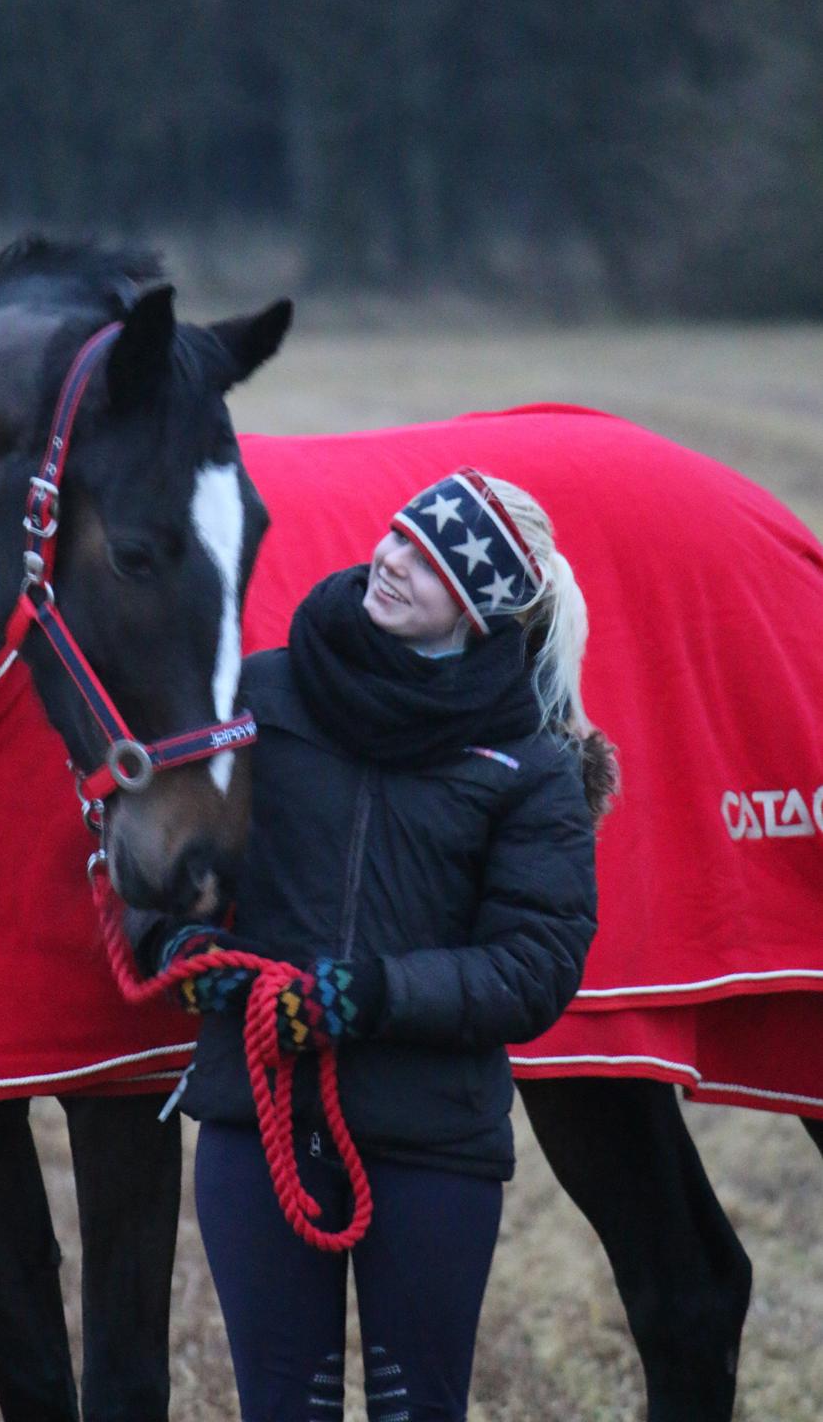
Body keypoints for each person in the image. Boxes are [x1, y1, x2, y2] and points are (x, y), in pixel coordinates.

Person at [139, 468, 616, 1422]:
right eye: (399, 535)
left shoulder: (528, 766)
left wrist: (374, 994)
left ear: (480, 611)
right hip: (258, 1117)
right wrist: (172, 942)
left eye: (432, 561)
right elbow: (156, 856)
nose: (392, 562)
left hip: (430, 1140)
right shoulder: (255, 693)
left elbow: (535, 966)